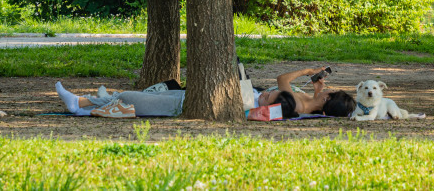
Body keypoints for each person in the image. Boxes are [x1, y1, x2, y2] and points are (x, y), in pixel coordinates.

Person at [55, 67, 356, 118]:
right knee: (154, 95)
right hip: (228, 97)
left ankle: (80, 104)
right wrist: (317, 87)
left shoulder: (294, 103)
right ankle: (84, 103)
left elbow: (281, 78)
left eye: (329, 91)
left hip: (229, 101)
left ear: (328, 100)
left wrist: (305, 74)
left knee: (134, 99)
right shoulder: (306, 104)